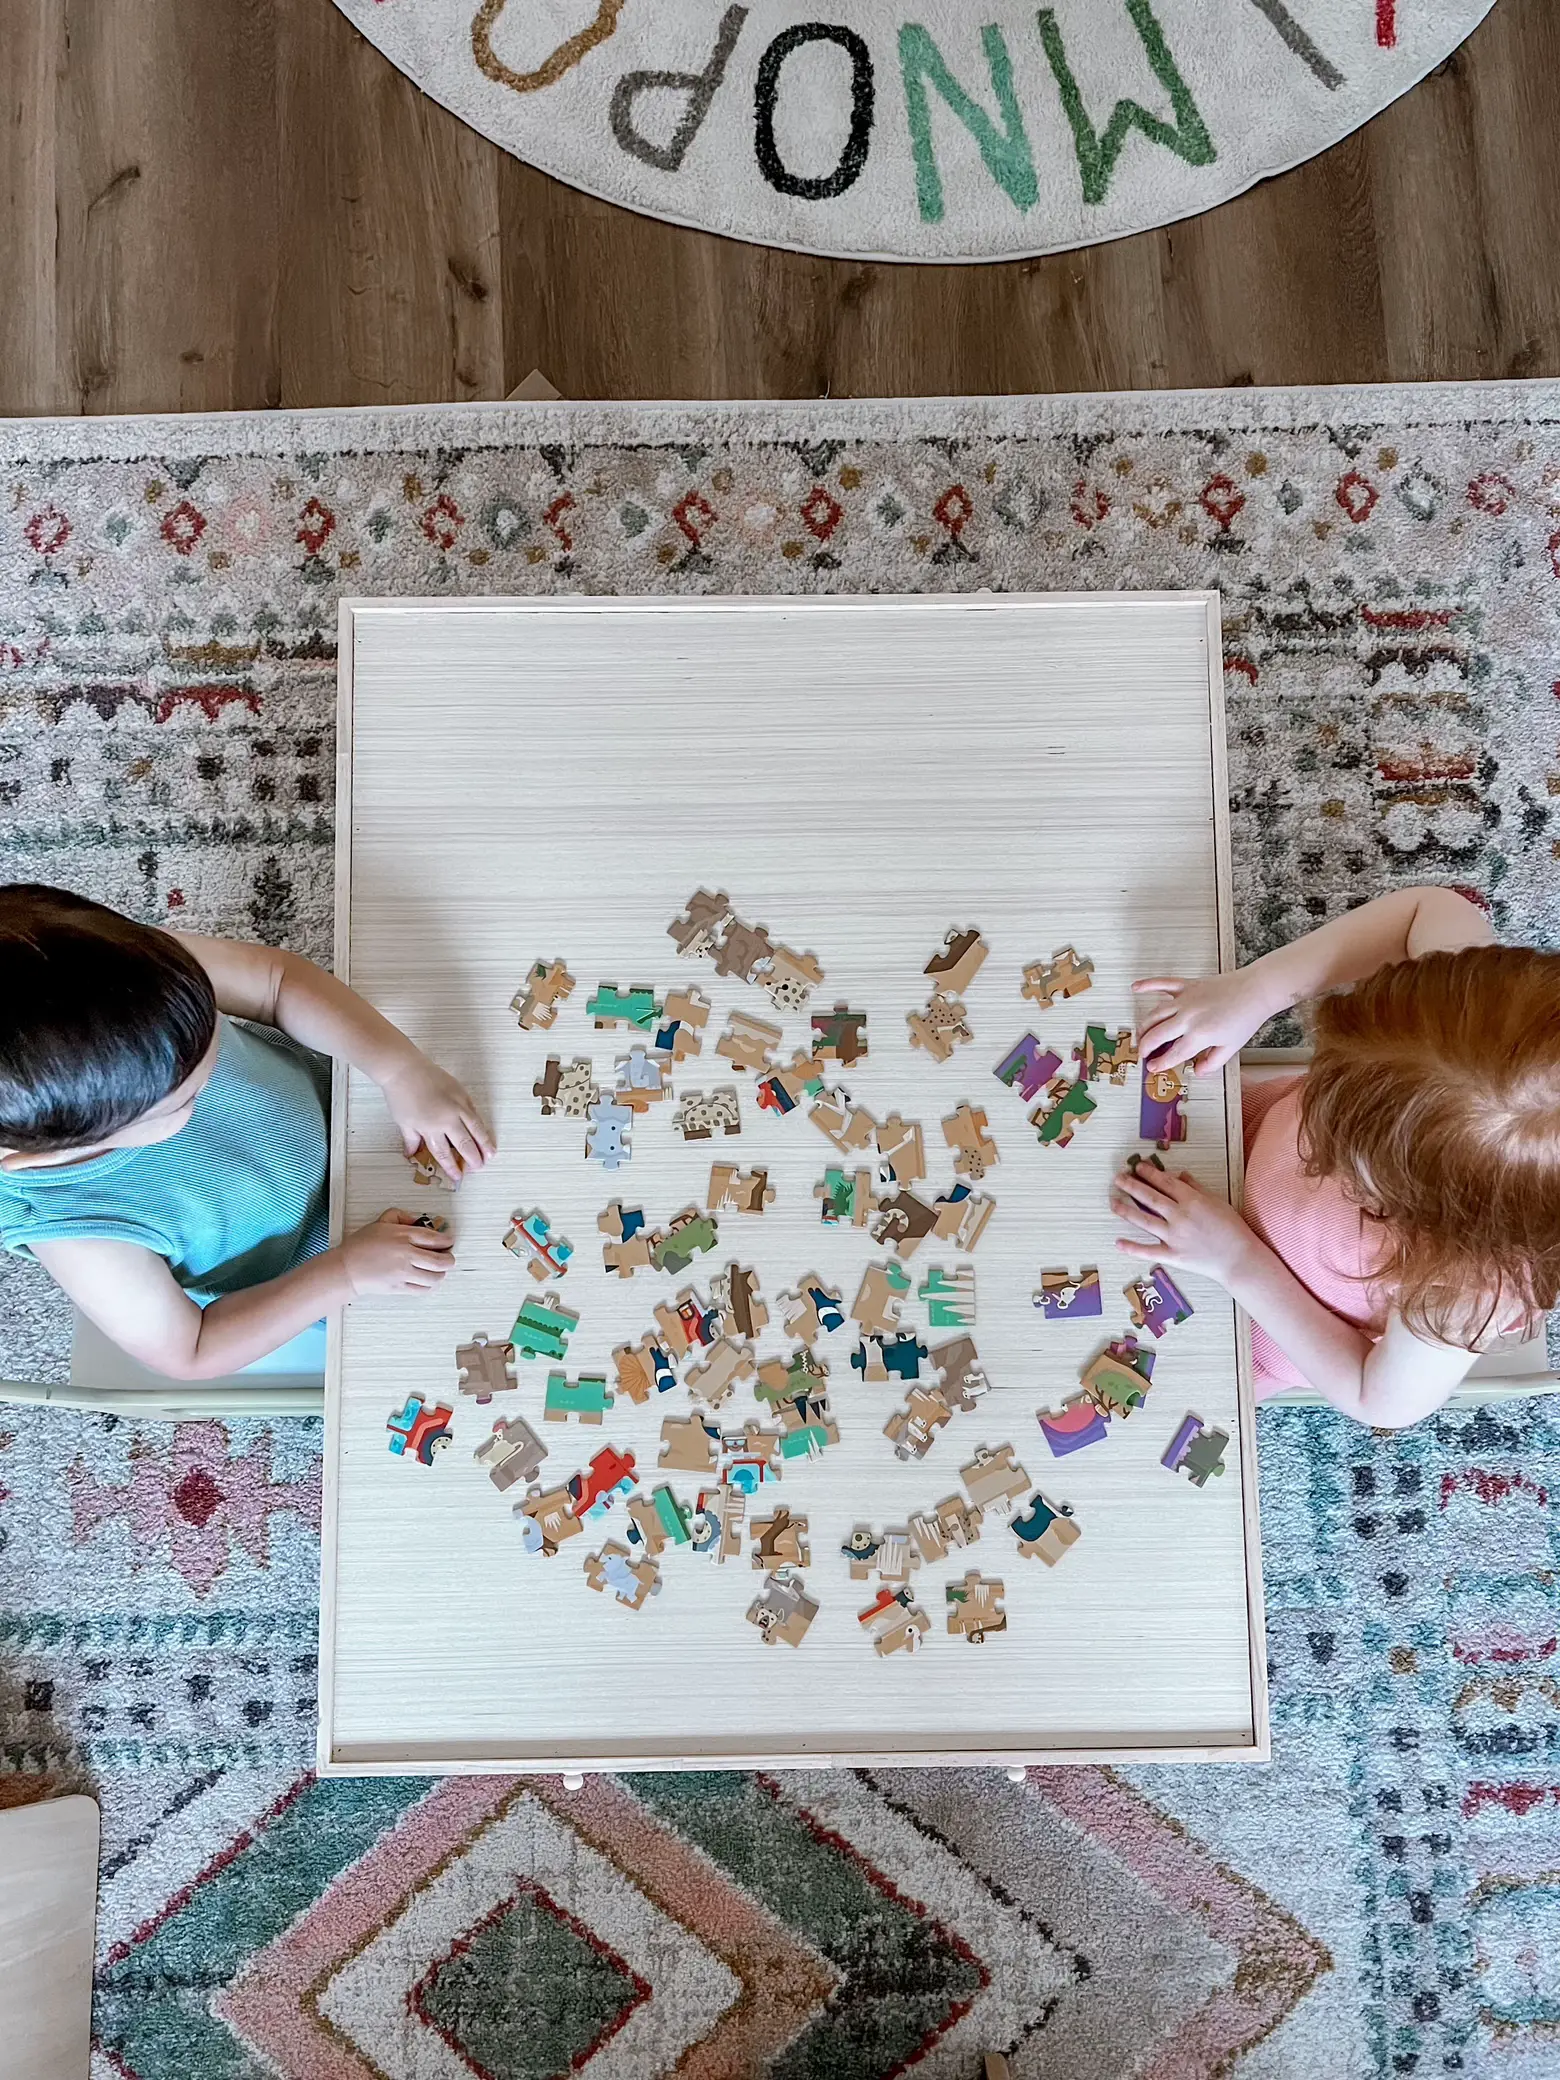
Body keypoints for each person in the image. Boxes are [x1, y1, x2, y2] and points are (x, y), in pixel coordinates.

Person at [0, 884, 494, 1381]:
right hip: (332, 1264)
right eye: (189, 1096)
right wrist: (346, 1272)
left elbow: (277, 983)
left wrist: (400, 1070)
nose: (213, 1066)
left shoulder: (127, 974)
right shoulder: (72, 1231)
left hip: (353, 1103)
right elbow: (191, 1349)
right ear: (86, 1138)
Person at [1111, 886, 1559, 1429]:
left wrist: (1237, 1261)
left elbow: (1382, 1401)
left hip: (1252, 1309)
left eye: (1341, 1154)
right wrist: (1259, 989)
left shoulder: (1463, 1290)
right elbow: (1430, 910)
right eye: (1330, 1080)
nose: (1318, 1137)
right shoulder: (1476, 1010)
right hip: (1230, 1134)